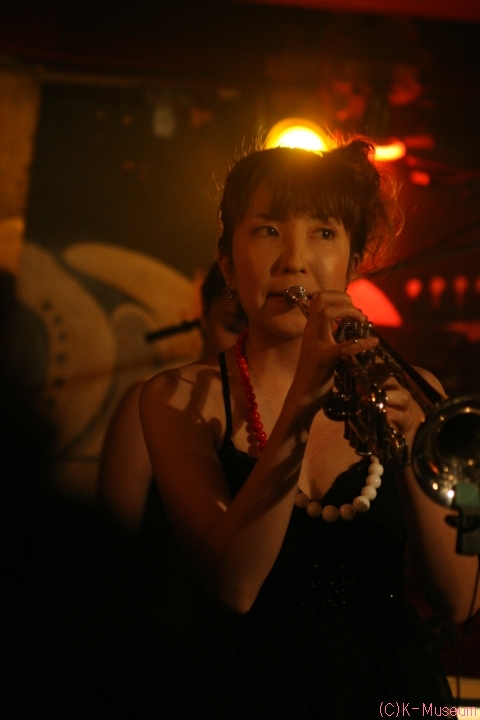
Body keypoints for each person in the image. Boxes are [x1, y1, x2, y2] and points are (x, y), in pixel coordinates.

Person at [139, 140, 480, 718]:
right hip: (242, 688)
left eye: (323, 232)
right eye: (268, 230)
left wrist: (410, 450)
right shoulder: (173, 398)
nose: (294, 259)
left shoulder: (417, 389)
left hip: (389, 690)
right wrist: (303, 399)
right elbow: (233, 586)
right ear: (228, 265)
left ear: (353, 263)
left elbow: (459, 599)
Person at [98, 261, 244, 529]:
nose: (244, 344)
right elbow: (112, 535)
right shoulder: (147, 400)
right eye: (234, 326)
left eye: (260, 331)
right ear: (204, 315)